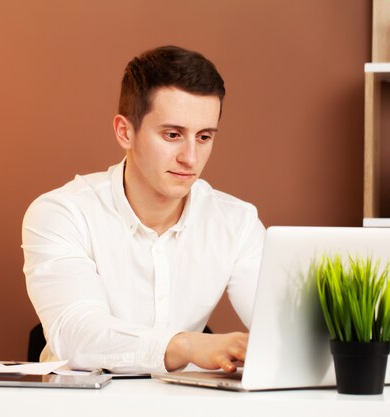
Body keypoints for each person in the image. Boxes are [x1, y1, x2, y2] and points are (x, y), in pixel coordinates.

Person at [22, 45, 265, 374]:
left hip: (181, 403)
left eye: (204, 137)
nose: (190, 158)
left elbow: (283, 328)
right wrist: (187, 344)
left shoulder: (237, 223)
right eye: (172, 134)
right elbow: (76, 335)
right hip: (78, 405)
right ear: (125, 132)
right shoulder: (61, 213)